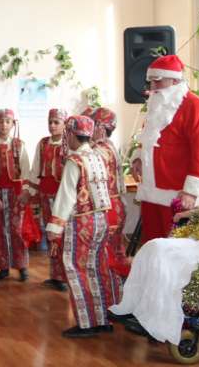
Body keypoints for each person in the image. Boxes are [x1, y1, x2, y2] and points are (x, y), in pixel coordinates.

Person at [109, 147, 199, 345]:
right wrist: (187, 214)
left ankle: (157, 320)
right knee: (151, 248)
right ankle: (134, 307)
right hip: (198, 240)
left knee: (161, 252)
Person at [130, 55, 199, 242]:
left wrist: (192, 191)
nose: (152, 88)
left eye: (157, 81)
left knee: (175, 250)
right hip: (151, 192)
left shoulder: (195, 106)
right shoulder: (156, 104)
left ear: (175, 80)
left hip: (179, 195)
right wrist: (138, 157)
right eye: (150, 82)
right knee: (152, 245)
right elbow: (148, 136)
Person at [46, 115, 116, 338]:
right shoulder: (98, 156)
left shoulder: (74, 160)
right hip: (102, 219)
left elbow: (66, 196)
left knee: (76, 269)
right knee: (96, 267)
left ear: (71, 134)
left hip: (82, 221)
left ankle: (87, 323)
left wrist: (54, 227)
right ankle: (103, 318)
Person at [0, 108, 32, 281]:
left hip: (16, 192)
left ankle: (22, 265)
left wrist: (26, 191)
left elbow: (26, 169)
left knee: (17, 229)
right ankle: (4, 266)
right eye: (1, 121)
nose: (4, 125)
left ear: (13, 124)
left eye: (8, 121)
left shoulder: (19, 144)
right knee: (1, 229)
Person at [28, 108, 68, 291]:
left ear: (65, 123)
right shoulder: (43, 143)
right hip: (45, 193)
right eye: (50, 122)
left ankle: (67, 274)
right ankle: (55, 275)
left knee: (64, 234)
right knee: (50, 233)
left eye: (56, 122)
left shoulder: (69, 144)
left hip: (63, 197)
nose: (52, 125)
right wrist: (30, 190)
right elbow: (36, 167)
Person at [91, 107, 127, 297]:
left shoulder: (97, 151)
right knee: (116, 250)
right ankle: (120, 297)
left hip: (106, 208)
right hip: (117, 205)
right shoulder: (110, 146)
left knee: (105, 255)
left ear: (101, 128)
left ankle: (110, 299)